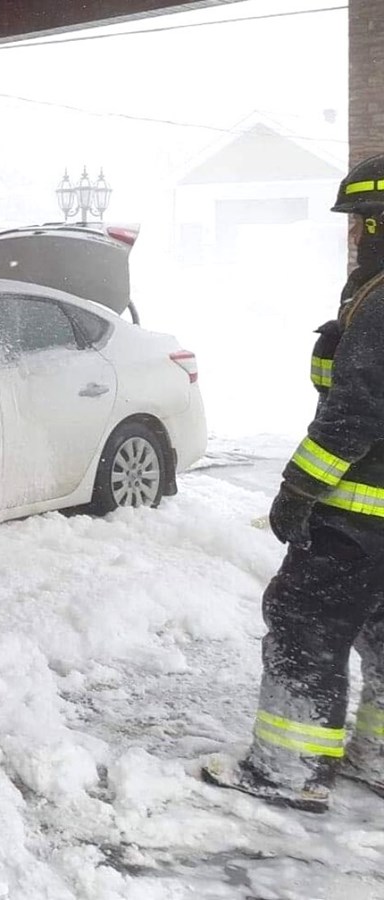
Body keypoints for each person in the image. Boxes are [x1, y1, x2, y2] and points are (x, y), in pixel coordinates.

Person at [202, 154, 384, 814]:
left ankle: (286, 770)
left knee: (305, 626)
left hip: (362, 516)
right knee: (381, 633)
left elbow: (356, 411)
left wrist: (298, 490)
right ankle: (376, 757)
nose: (354, 236)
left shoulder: (383, 297)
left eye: (360, 224)